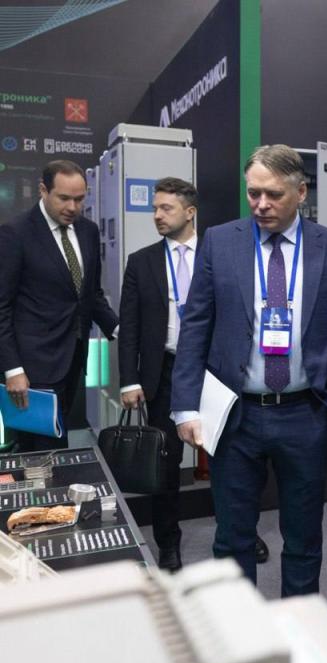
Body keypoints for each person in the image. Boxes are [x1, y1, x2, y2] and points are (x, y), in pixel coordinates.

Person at [170, 144, 327, 596]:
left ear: (301, 192)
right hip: (234, 413)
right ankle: (241, 630)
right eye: (253, 193)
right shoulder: (220, 241)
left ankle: (300, 624)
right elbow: (196, 324)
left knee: (303, 537)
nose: (261, 204)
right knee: (232, 536)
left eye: (273, 194)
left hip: (306, 413)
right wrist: (185, 406)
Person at [0, 160, 119, 452]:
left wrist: (118, 328)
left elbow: (90, 294)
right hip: (33, 366)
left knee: (56, 445)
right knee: (40, 451)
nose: (72, 207)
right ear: (43, 190)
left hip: (73, 358)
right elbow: (1, 306)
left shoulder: (88, 231)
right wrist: (12, 368)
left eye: (79, 199)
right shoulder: (16, 233)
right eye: (64, 198)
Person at [118, 177, 200, 571]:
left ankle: (242, 532)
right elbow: (129, 327)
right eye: (155, 208)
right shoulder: (142, 261)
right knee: (166, 460)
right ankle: (168, 542)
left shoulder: (218, 255)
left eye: (166, 208)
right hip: (165, 371)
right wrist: (129, 379)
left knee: (231, 457)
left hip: (212, 371)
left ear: (190, 212)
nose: (157, 215)